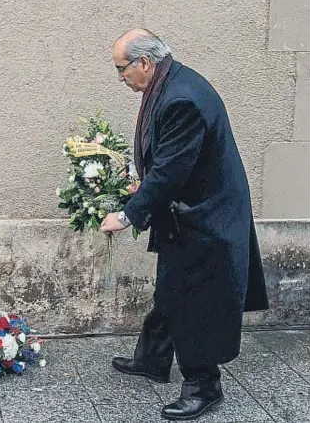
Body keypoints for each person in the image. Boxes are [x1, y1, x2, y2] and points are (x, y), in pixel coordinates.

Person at [100, 28, 269, 422]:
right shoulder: (169, 83)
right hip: (189, 210)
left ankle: (203, 386)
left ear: (144, 62)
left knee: (197, 300)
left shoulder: (181, 98)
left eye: (121, 69)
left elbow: (170, 174)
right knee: (172, 286)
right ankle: (153, 358)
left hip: (208, 216)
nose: (121, 77)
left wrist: (127, 215)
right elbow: (169, 161)